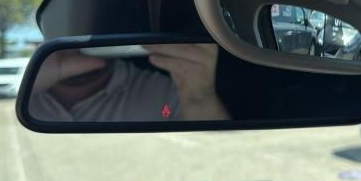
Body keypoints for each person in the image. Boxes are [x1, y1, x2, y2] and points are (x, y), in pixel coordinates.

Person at [29, 43, 229, 123]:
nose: (80, 44)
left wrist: (198, 98)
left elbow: (215, 151)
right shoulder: (29, 92)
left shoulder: (166, 92)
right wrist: (31, 78)